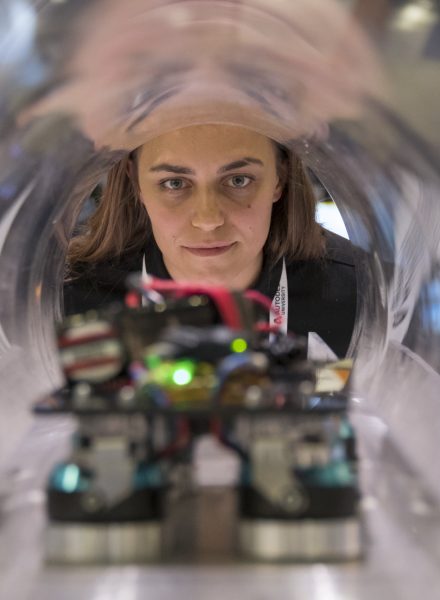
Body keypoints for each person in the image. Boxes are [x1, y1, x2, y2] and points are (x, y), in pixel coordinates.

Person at [64, 124, 357, 358]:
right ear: (135, 182)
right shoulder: (71, 304)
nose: (208, 220)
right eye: (174, 183)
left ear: (279, 178)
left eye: (238, 180)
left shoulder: (362, 299)